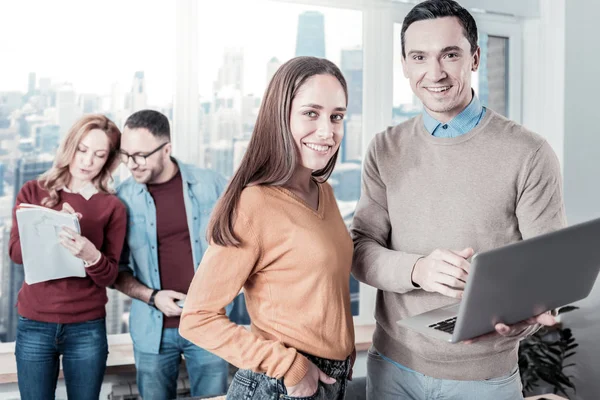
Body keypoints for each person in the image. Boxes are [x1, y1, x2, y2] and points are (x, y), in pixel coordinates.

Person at [350, 1, 566, 399]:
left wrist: (527, 318)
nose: (435, 73)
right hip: (392, 368)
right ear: (405, 65)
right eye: (419, 57)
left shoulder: (529, 152)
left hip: (484, 380)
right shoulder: (385, 148)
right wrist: (419, 269)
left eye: (450, 54)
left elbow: (546, 273)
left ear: (475, 58)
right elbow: (360, 251)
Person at [179, 56, 356, 400]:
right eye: (311, 113)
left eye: (337, 116)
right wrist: (289, 367)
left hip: (329, 381)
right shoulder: (255, 203)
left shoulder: (325, 193)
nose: (327, 130)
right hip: (282, 384)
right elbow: (197, 317)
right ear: (280, 116)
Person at [113, 109, 229, 400]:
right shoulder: (121, 198)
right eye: (126, 155)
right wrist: (153, 297)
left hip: (208, 322)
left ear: (167, 149)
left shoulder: (212, 185)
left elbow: (243, 249)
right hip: (152, 331)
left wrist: (221, 296)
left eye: (140, 155)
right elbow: (116, 271)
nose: (131, 164)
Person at [8, 114, 126, 400]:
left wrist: (90, 254)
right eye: (82, 150)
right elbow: (15, 254)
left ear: (108, 160)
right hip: (35, 322)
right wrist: (49, 229)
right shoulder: (33, 191)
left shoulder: (112, 206)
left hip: (86, 327)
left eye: (99, 155)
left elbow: (110, 275)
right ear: (70, 147)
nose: (87, 162)